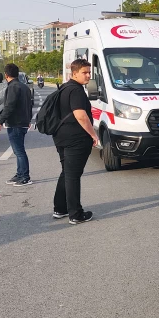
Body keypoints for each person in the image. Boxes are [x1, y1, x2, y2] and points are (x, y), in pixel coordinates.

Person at [52, 59, 100, 224]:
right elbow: (81, 115)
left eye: (89, 72)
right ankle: (76, 214)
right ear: (74, 73)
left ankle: (60, 208)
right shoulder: (76, 91)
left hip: (61, 136)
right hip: (75, 139)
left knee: (66, 172)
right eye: (84, 72)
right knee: (73, 175)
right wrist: (93, 135)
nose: (88, 75)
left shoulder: (65, 88)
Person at [0, 63, 33, 187]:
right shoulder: (24, 87)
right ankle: (20, 174)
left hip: (16, 123)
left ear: (6, 75)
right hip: (22, 122)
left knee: (19, 151)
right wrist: (28, 120)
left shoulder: (12, 87)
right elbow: (29, 105)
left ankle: (25, 177)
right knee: (18, 151)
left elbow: (9, 107)